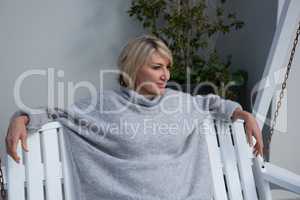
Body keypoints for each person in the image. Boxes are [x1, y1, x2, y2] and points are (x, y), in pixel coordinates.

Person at [5, 35, 263, 200]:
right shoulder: (105, 105)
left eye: (167, 67)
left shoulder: (179, 102)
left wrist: (243, 114)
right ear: (133, 68)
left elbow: (212, 103)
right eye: (156, 67)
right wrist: (22, 118)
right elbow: (56, 112)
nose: (166, 75)